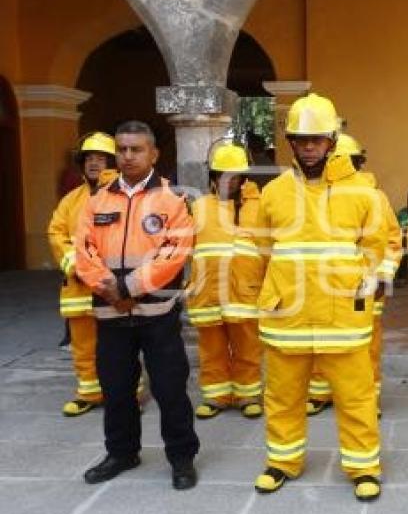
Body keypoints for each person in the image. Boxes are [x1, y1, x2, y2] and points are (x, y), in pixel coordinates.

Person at [253, 94, 387, 502]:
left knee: (356, 397)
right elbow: (263, 250)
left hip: (342, 315)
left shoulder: (364, 194)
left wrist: (373, 279)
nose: (309, 146)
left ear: (332, 139)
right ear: (291, 142)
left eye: (317, 139)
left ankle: (363, 466)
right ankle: (282, 461)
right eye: (301, 139)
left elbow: (383, 247)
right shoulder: (273, 192)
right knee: (282, 395)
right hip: (287, 315)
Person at [75, 120, 199, 490]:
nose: (127, 156)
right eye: (123, 149)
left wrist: (129, 286)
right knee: (115, 388)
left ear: (154, 154)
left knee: (169, 388)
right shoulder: (96, 201)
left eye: (136, 149)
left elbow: (174, 254)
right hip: (110, 312)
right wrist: (107, 287)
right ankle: (122, 452)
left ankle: (181, 458)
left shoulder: (172, 200)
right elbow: (83, 251)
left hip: (157, 315)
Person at [306, 133, 402, 418]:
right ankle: (320, 390)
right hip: (325, 285)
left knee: (366, 346)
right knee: (320, 339)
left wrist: (383, 276)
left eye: (352, 162)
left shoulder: (375, 196)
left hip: (364, 286)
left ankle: (367, 396)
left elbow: (392, 240)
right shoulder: (318, 194)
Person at [187, 140, 264, 420]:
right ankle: (216, 395)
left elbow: (270, 249)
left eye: (234, 176)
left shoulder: (259, 206)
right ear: (213, 177)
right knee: (211, 347)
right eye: (222, 175)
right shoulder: (198, 206)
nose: (227, 181)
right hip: (206, 291)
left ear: (243, 178)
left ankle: (248, 394)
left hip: (245, 292)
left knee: (248, 345)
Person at [47, 132, 117, 416]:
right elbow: (56, 232)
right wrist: (73, 265)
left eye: (100, 158)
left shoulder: (121, 196)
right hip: (78, 287)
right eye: (89, 158)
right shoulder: (71, 200)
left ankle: (126, 394)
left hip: (110, 285)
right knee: (83, 345)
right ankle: (89, 392)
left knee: (117, 346)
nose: (94, 163)